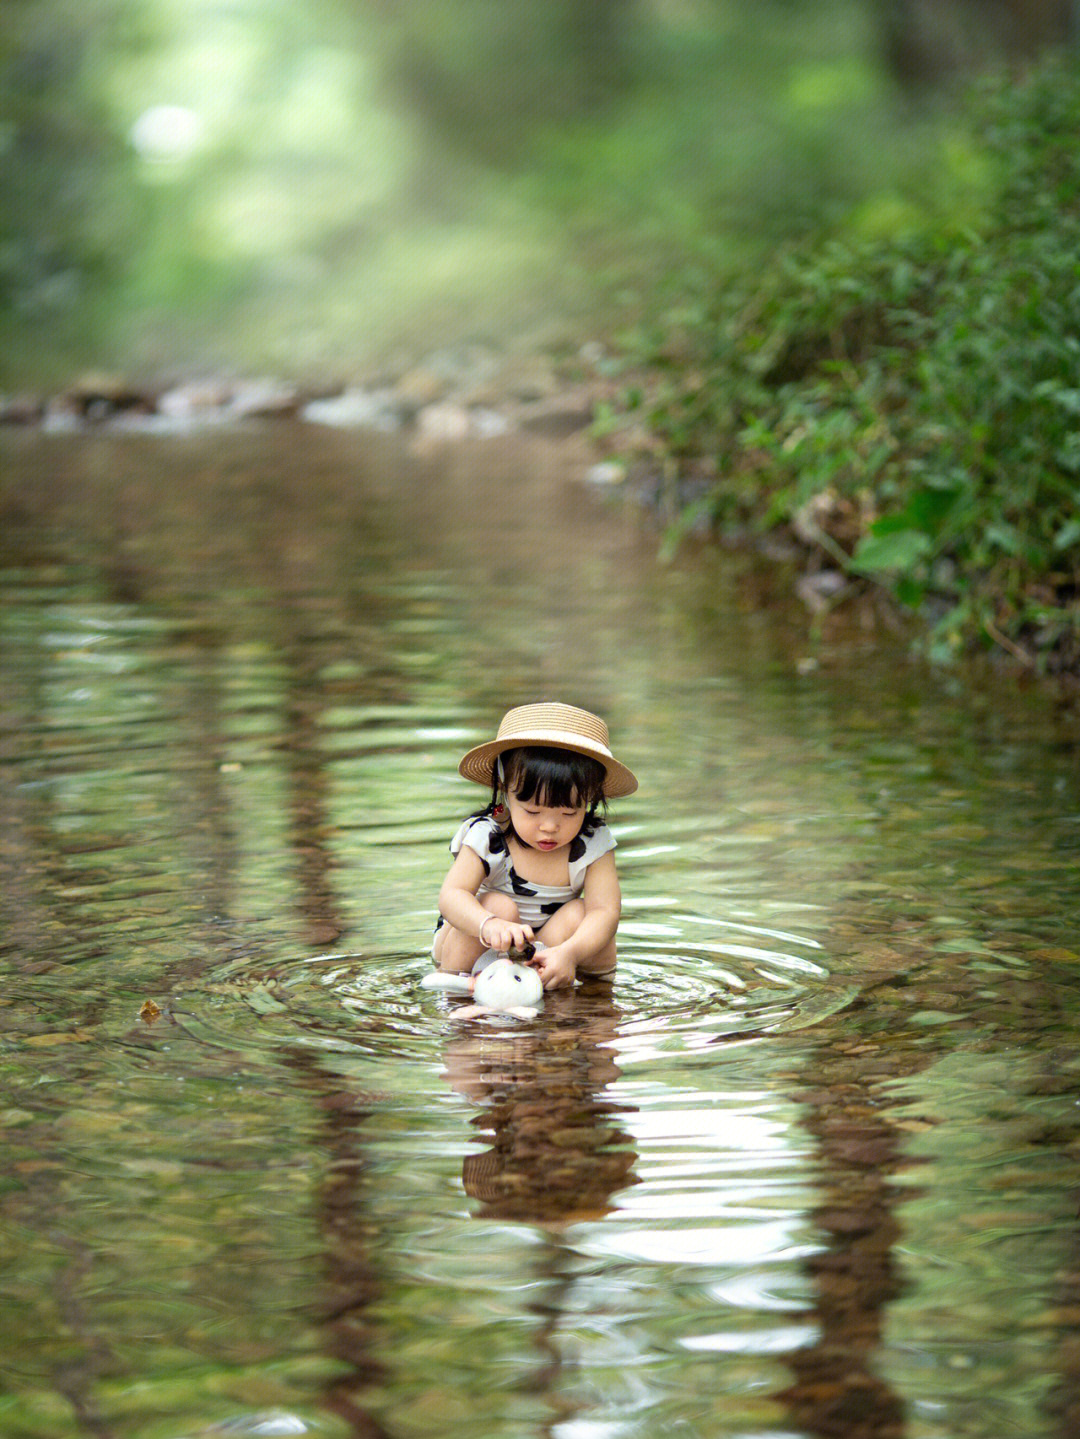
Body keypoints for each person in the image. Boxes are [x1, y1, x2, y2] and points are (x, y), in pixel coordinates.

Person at [433, 701, 638, 991]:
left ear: (590, 797)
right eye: (532, 811)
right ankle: (459, 1001)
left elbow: (606, 912)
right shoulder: (488, 835)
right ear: (505, 789)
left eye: (569, 813)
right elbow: (451, 895)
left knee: (585, 917)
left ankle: (595, 1005)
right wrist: (489, 924)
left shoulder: (593, 842)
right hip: (479, 942)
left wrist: (570, 953)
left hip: (548, 947)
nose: (549, 827)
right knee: (498, 905)